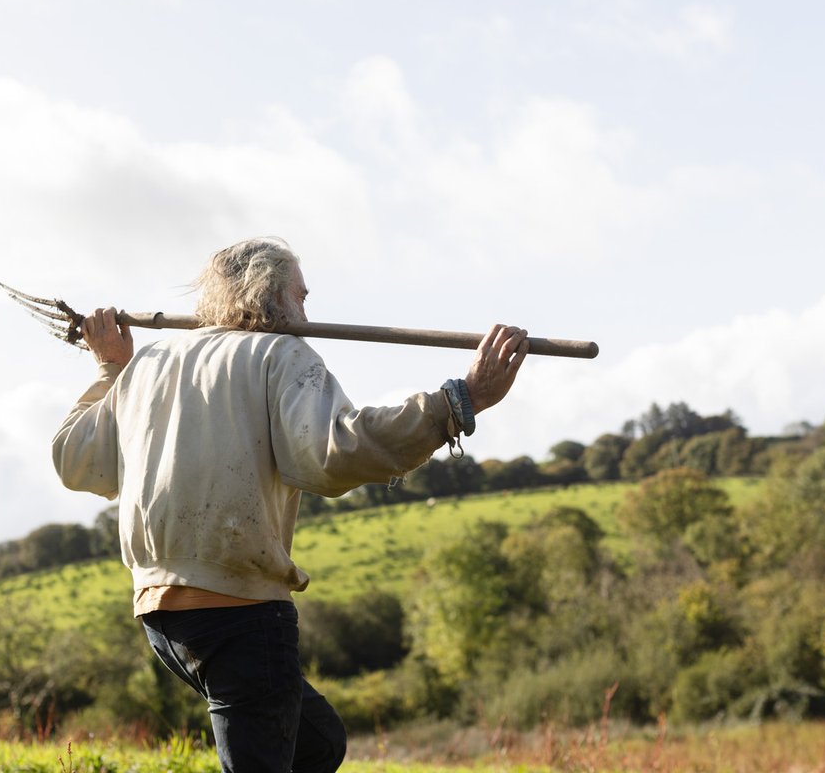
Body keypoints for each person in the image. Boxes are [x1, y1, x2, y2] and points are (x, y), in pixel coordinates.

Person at [52, 237, 529, 773]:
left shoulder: (148, 364)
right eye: (300, 296)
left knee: (318, 742)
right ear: (269, 295)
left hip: (162, 618)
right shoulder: (279, 354)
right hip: (238, 614)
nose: (306, 311)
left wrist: (111, 369)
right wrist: (458, 401)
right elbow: (337, 452)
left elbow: (74, 457)